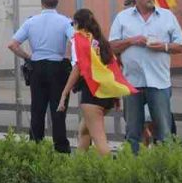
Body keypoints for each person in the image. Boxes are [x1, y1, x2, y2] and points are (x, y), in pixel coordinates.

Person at [109, 0, 182, 154]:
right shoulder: (123, 18)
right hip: (132, 83)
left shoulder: (167, 16)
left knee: (164, 133)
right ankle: (133, 169)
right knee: (133, 132)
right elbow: (112, 45)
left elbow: (180, 46)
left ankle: (165, 168)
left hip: (159, 83)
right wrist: (132, 40)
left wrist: (163, 46)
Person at [58, 9, 137, 156]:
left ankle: (110, 173)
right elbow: (113, 69)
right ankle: (79, 167)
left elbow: (77, 68)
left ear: (76, 24)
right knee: (84, 131)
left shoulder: (80, 41)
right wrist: (116, 96)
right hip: (106, 95)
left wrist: (64, 93)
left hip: (91, 94)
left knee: (100, 141)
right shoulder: (101, 41)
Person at [7, 0, 73, 153]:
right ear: (57, 2)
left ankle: (36, 146)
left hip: (37, 67)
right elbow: (75, 39)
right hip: (57, 68)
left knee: (37, 108)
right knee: (58, 109)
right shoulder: (65, 21)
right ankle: (61, 149)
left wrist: (28, 56)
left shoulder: (31, 22)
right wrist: (67, 56)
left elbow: (12, 45)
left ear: (42, 2)